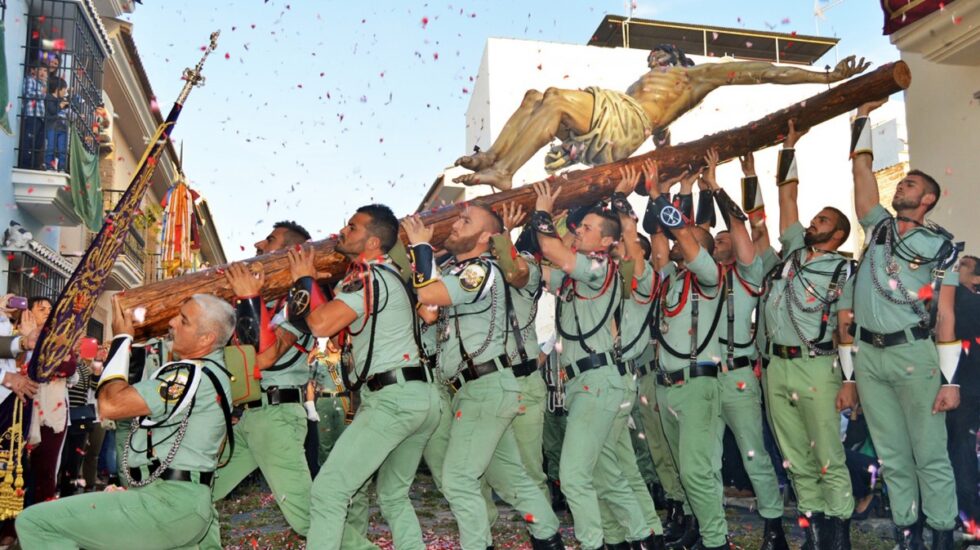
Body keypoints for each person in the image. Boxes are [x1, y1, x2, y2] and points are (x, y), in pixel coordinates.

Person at [452, 46, 868, 191]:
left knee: (558, 98)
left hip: (625, 122)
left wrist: (827, 77)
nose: (652, 62)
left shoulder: (695, 77)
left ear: (678, 62)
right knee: (534, 97)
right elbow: (661, 139)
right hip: (621, 125)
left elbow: (766, 72)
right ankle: (493, 159)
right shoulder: (658, 99)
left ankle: (505, 170)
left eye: (659, 59)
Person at [15, 294, 235, 548]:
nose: (172, 323)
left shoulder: (189, 376)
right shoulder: (211, 372)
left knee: (35, 523)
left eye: (183, 320)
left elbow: (111, 404)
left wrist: (122, 340)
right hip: (182, 501)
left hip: (169, 504)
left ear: (207, 338)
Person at [404, 202, 563, 550]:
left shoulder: (481, 269)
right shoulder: (460, 270)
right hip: (481, 389)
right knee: (510, 479)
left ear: (486, 236)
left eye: (465, 220)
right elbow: (429, 313)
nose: (456, 224)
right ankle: (548, 539)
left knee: (459, 480)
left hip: (486, 388)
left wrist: (419, 246)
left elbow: (429, 294)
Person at [283, 204, 441, 550]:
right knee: (393, 495)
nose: (342, 231)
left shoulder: (367, 276)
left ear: (372, 242)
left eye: (352, 227)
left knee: (328, 490)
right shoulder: (395, 275)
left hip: (394, 400)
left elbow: (320, 325)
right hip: (420, 397)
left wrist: (303, 279)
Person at [849, 100, 961, 550]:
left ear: (928, 198)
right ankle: (907, 533)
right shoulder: (878, 227)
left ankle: (940, 534)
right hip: (870, 355)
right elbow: (861, 179)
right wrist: (861, 120)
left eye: (910, 183)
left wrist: (950, 380)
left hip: (916, 354)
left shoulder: (942, 245)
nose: (902, 186)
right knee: (892, 455)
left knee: (929, 453)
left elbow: (947, 312)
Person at [527, 181, 654, 550]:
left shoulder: (597, 266)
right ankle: (643, 539)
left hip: (598, 382)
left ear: (605, 242)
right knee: (605, 472)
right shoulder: (577, 274)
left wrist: (543, 212)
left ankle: (594, 543)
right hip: (593, 382)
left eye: (585, 229)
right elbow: (537, 272)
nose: (577, 232)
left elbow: (552, 249)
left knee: (573, 475)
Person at [759, 121, 856, 550]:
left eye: (823, 221)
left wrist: (850, 381)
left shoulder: (841, 269)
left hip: (817, 364)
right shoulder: (793, 255)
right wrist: (789, 146)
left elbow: (845, 329)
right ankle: (814, 532)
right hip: (776, 366)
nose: (813, 223)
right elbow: (787, 196)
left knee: (826, 456)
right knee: (795, 456)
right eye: (815, 218)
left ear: (836, 235)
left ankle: (839, 533)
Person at [699, 147, 789, 550]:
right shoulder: (698, 279)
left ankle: (773, 527)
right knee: (704, 458)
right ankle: (711, 531)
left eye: (724, 239)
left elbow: (747, 226)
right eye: (714, 241)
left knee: (755, 454)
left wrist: (726, 186)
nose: (719, 243)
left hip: (737, 375)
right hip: (700, 379)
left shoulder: (750, 272)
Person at [211, 221, 317, 538]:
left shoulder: (299, 304)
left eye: (269, 240)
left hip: (278, 418)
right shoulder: (263, 303)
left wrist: (247, 298)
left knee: (306, 517)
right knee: (200, 493)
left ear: (288, 253)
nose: (257, 244)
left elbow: (264, 357)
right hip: (250, 417)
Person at [645, 161, 731, 550]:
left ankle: (716, 541)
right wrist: (659, 194)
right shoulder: (671, 279)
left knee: (698, 469)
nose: (680, 241)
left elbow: (679, 231)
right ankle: (699, 529)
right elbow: (661, 238)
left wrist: (662, 198)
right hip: (666, 387)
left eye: (690, 240)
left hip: (698, 385)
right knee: (685, 468)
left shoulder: (710, 278)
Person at [949, 255, 979, 537]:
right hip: (963, 390)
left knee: (961, 454)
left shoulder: (966, 301)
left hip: (966, 392)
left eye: (961, 268)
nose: (953, 271)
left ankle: (971, 521)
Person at [19, 65, 46, 170]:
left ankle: (33, 164)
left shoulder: (41, 84)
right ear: (33, 70)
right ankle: (25, 164)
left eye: (45, 70)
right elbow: (27, 93)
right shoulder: (30, 80)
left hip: (39, 116)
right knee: (29, 140)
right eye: (40, 69)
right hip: (31, 114)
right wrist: (42, 92)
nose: (43, 72)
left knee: (37, 143)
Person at [43, 81, 70, 172]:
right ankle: (49, 165)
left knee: (62, 149)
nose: (65, 93)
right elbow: (52, 111)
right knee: (51, 147)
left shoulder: (62, 100)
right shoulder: (49, 97)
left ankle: (61, 167)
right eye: (64, 90)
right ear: (58, 89)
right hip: (52, 126)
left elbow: (68, 112)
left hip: (63, 127)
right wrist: (61, 105)